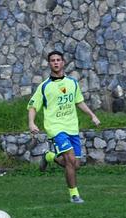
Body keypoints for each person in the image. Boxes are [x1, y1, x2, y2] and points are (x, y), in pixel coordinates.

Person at [27, 50, 100, 204]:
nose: (55, 62)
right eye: (52, 60)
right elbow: (33, 106)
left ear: (63, 62)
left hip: (72, 127)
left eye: (58, 60)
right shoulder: (44, 87)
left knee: (75, 165)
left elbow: (79, 101)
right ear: (49, 64)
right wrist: (31, 122)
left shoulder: (72, 83)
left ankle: (49, 156)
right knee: (70, 158)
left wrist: (92, 115)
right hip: (55, 128)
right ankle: (74, 195)